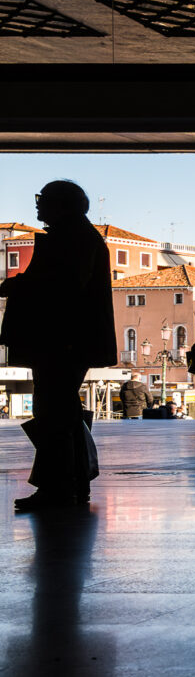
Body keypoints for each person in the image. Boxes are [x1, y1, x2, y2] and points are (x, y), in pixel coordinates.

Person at [0, 181, 116, 510]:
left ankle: (60, 488)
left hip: (62, 340)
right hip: (66, 340)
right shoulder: (78, 236)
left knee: (54, 412)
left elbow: (62, 286)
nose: (38, 205)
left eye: (43, 199)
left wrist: (15, 286)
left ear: (62, 204)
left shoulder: (73, 238)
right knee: (60, 411)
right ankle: (70, 484)